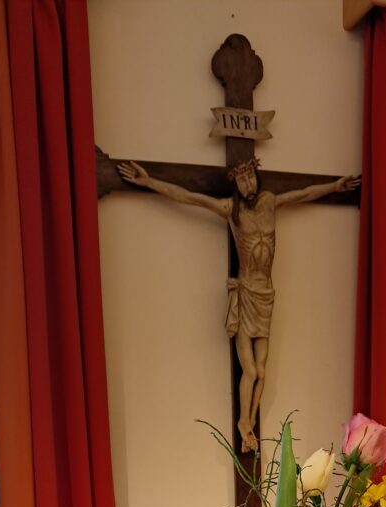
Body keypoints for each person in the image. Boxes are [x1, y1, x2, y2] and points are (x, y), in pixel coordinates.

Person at [117, 157, 360, 452]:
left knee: (263, 371)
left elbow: (304, 193)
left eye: (251, 176)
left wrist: (334, 186)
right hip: (245, 295)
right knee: (251, 371)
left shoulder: (270, 202)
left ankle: (249, 423)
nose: (248, 183)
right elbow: (189, 197)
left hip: (266, 294)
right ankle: (244, 423)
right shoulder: (230, 209)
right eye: (242, 179)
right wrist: (148, 182)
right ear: (236, 183)